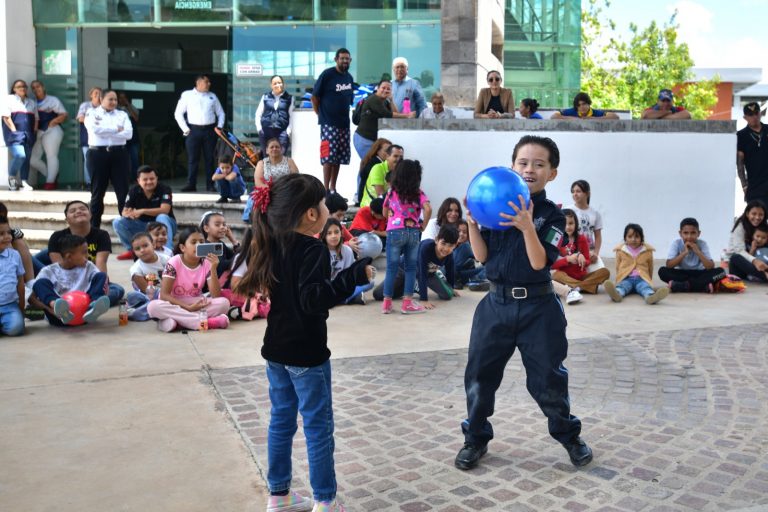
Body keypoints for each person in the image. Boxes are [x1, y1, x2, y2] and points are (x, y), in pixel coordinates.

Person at [233, 173, 374, 512]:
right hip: (306, 355)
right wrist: (351, 278)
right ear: (312, 214)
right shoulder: (312, 248)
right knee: (317, 427)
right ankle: (325, 500)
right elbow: (314, 300)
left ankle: (279, 495)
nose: (327, 209)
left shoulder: (271, 241)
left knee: (281, 420)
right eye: (324, 204)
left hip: (276, 351)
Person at [455, 135, 591, 472]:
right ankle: (475, 439)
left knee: (548, 380)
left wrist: (528, 227)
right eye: (523, 162)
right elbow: (482, 257)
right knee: (479, 378)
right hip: (495, 305)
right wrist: (473, 225)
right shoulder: (493, 202)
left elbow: (538, 263)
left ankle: (568, 435)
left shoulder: (553, 217)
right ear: (512, 166)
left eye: (539, 164)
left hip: (539, 309)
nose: (530, 169)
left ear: (552, 173)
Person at [34, 200, 125, 306]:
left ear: (90, 214)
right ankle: (57, 304)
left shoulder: (101, 235)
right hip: (62, 284)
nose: (78, 211)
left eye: (83, 209)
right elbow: (61, 270)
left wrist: (99, 284)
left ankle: (91, 304)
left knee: (117, 290)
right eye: (73, 211)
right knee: (40, 283)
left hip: (88, 279)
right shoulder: (57, 237)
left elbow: (101, 265)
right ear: (67, 219)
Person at [146, 228, 230, 332]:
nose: (198, 245)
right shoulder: (174, 262)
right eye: (194, 242)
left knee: (224, 303)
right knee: (153, 307)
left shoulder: (207, 263)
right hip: (174, 302)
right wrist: (188, 308)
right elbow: (164, 295)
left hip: (196, 302)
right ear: (182, 247)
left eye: (201, 242)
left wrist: (213, 268)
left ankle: (177, 323)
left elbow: (216, 295)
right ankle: (205, 322)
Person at [381, 159, 431, 315]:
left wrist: (390, 217)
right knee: (410, 268)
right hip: (413, 231)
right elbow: (428, 209)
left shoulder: (391, 192)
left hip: (394, 231)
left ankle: (387, 305)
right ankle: (407, 304)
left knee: (391, 268)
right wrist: (423, 225)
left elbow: (384, 210)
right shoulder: (419, 193)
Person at [32, 235, 111, 327]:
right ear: (69, 256)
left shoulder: (88, 266)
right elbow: (32, 298)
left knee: (101, 276)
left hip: (85, 314)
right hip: (59, 317)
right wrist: (49, 309)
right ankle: (56, 305)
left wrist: (102, 292)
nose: (88, 255)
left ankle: (94, 305)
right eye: (84, 252)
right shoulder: (49, 271)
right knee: (39, 283)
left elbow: (102, 282)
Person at [85, 89, 132, 229]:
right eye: (110, 99)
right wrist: (117, 130)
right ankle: (94, 229)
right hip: (97, 154)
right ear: (101, 99)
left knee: (123, 191)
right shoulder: (91, 113)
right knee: (97, 193)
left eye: (115, 100)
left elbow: (128, 134)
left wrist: (108, 130)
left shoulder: (122, 114)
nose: (113, 102)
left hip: (119, 154)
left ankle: (126, 226)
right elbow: (95, 130)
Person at [312, 48, 354, 193]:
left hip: (344, 124)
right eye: (342, 58)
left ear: (350, 61)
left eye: (347, 59)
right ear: (336, 59)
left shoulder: (349, 78)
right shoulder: (327, 75)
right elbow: (315, 97)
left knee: (339, 158)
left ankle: (333, 189)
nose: (344, 61)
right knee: (328, 157)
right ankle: (324, 189)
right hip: (328, 124)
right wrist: (320, 115)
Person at [112, 165, 176, 259]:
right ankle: (134, 251)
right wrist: (130, 215)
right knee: (118, 222)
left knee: (161, 216)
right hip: (144, 227)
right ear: (139, 181)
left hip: (164, 227)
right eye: (145, 179)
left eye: (152, 179)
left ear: (156, 178)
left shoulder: (164, 189)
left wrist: (142, 211)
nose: (149, 182)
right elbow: (124, 212)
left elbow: (165, 210)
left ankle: (167, 251)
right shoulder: (134, 190)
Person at [174, 74, 225, 192]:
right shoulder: (187, 95)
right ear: (199, 83)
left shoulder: (212, 96)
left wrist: (219, 126)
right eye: (206, 82)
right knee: (193, 159)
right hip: (193, 130)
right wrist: (185, 129)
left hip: (209, 130)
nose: (209, 84)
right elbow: (178, 113)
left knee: (210, 159)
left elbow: (221, 113)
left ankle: (210, 184)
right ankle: (191, 184)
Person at [603, 223, 670, 304]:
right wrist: (619, 278)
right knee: (622, 286)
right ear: (625, 238)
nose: (633, 239)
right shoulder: (620, 251)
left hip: (641, 279)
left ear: (642, 238)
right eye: (630, 237)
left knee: (645, 287)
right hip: (626, 278)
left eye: (637, 237)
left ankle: (650, 297)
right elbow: (617, 266)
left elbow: (650, 267)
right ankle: (617, 294)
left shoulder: (647, 251)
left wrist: (648, 280)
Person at [551, 209, 610, 297]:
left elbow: (587, 261)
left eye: (571, 223)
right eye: (564, 223)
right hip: (565, 277)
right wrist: (568, 259)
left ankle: (576, 287)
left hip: (581, 276)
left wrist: (581, 260)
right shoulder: (555, 239)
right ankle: (588, 287)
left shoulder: (581, 239)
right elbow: (551, 265)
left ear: (576, 224)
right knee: (555, 275)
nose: (567, 227)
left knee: (605, 272)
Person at [658, 217, 725, 292]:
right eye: (685, 233)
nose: (689, 237)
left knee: (721, 272)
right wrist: (684, 253)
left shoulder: (702, 244)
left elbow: (710, 266)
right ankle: (701, 286)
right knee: (662, 271)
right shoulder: (676, 243)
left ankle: (683, 285)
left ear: (698, 234)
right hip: (682, 274)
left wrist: (698, 252)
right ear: (680, 233)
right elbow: (669, 265)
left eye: (693, 233)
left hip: (700, 273)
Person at [353, 79, 413, 159]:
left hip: (373, 140)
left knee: (371, 166)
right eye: (383, 88)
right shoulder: (374, 99)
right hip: (364, 139)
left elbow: (394, 113)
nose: (386, 90)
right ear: (378, 88)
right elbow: (387, 114)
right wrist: (406, 116)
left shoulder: (384, 101)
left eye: (388, 89)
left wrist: (391, 100)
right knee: (369, 166)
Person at [321, 218, 373, 305]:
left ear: (341, 233)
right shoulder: (319, 252)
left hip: (342, 285)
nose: (333, 236)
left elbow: (350, 275)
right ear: (324, 235)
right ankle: (348, 298)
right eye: (329, 233)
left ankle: (344, 298)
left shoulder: (347, 250)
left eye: (336, 232)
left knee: (370, 282)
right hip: (326, 287)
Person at [29, 80, 68, 190]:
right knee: (33, 160)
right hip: (39, 132)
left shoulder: (52, 100)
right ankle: (52, 175)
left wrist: (53, 121)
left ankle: (50, 182)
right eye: (33, 87)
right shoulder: (32, 102)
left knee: (51, 156)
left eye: (38, 86)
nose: (36, 89)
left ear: (43, 87)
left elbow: (64, 115)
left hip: (52, 130)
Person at [124, 232, 169, 321]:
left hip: (169, 292)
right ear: (134, 252)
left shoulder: (167, 260)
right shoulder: (136, 269)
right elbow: (146, 291)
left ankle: (161, 312)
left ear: (153, 244)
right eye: (137, 249)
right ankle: (137, 313)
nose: (142, 250)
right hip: (150, 295)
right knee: (132, 296)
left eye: (145, 246)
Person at [2, 79, 37, 191]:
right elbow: (6, 116)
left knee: (26, 158)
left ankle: (24, 182)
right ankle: (12, 178)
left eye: (24, 86)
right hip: (14, 134)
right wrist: (14, 131)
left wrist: (34, 132)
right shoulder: (9, 99)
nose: (22, 88)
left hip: (29, 134)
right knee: (20, 155)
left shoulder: (31, 102)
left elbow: (36, 118)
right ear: (14, 89)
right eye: (19, 86)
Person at [565, 179, 604, 271]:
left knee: (600, 272)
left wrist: (596, 253)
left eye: (578, 191)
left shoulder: (595, 213)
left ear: (587, 193)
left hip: (589, 251)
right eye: (573, 191)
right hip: (571, 250)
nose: (575, 194)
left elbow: (598, 236)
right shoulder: (567, 210)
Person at [417, 225, 459, 309]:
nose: (446, 248)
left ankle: (415, 286)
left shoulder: (449, 255)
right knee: (384, 293)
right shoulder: (426, 247)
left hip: (430, 274)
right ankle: (415, 286)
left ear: (455, 245)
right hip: (406, 271)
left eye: (450, 245)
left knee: (447, 295)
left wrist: (451, 288)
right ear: (436, 240)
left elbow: (450, 271)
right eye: (443, 243)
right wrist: (423, 299)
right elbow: (421, 272)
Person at [727, 200, 768, 282]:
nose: (757, 217)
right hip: (742, 267)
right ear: (747, 214)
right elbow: (739, 251)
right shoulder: (740, 226)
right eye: (754, 214)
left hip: (761, 264)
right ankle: (764, 275)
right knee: (735, 258)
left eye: (761, 214)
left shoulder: (763, 227)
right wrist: (755, 261)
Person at [737, 102, 768, 206]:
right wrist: (744, 185)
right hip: (754, 186)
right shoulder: (741, 135)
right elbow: (740, 162)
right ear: (745, 117)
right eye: (750, 115)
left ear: (760, 114)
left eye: (756, 113)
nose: (754, 117)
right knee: (757, 218)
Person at [255, 74, 294, 156]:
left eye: (279, 83)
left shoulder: (289, 98)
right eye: (275, 83)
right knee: (267, 159)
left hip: (282, 133)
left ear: (283, 84)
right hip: (266, 132)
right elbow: (258, 114)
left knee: (281, 158)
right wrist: (259, 129)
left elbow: (292, 117)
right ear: (271, 85)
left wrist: (288, 132)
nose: (278, 85)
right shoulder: (265, 97)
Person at [0, 217, 25, 336]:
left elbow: (20, 282)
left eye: (9, 232)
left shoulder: (15, 255)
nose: (7, 237)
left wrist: (21, 306)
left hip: (9, 305)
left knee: (17, 328)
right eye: (1, 233)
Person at [360, 144, 403, 208]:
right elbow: (381, 195)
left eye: (401, 157)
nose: (399, 159)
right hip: (369, 208)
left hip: (386, 207)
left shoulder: (400, 170)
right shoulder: (377, 168)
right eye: (395, 156)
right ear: (387, 156)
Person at [200, 210, 239, 277]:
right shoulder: (206, 247)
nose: (222, 227)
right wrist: (238, 258)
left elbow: (236, 256)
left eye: (224, 224)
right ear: (206, 228)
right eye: (217, 225)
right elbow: (222, 266)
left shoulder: (220, 244)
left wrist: (232, 239)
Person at [76, 87, 102, 189]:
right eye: (95, 93)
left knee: (100, 161)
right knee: (88, 161)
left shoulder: (104, 107)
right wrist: (96, 121)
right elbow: (80, 118)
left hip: (101, 140)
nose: (97, 94)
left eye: (100, 93)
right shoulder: (85, 105)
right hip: (87, 138)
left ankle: (99, 182)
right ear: (90, 95)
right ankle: (89, 183)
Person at [356, 137, 391, 206]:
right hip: (367, 200)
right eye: (386, 151)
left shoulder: (373, 161)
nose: (389, 154)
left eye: (390, 151)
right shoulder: (376, 165)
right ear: (377, 151)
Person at [117, 91, 141, 183]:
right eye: (120, 97)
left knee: (134, 159)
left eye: (124, 97)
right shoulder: (116, 109)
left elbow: (136, 118)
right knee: (122, 160)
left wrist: (128, 106)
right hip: (121, 139)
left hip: (133, 138)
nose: (122, 99)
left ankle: (135, 178)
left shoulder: (132, 107)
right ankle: (123, 178)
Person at [551, 92, 619, 120]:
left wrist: (593, 119)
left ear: (588, 103)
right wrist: (573, 119)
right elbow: (554, 116)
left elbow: (615, 117)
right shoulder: (572, 111)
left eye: (584, 104)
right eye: (579, 105)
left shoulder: (595, 112)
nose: (581, 107)